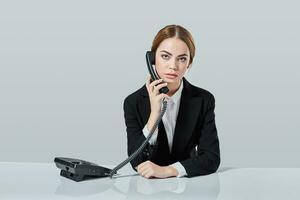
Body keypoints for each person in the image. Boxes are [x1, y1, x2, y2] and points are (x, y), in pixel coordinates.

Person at [123, 24, 220, 179]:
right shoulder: (132, 102)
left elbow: (211, 158)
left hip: (189, 188)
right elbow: (136, 161)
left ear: (189, 63)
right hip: (147, 191)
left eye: (182, 59)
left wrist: (170, 170)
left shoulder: (204, 100)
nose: (173, 66)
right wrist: (154, 114)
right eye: (165, 56)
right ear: (152, 59)